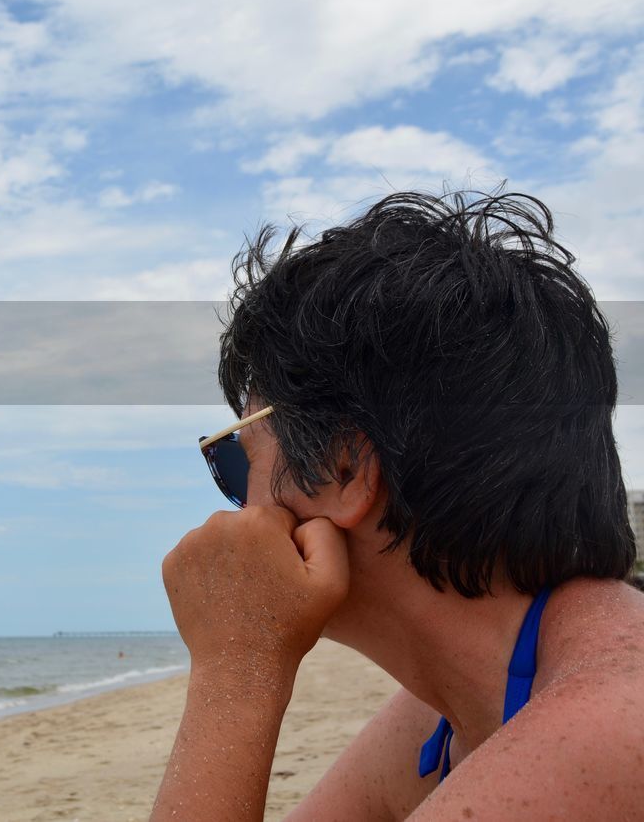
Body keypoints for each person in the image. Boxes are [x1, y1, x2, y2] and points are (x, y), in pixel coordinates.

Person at [150, 192, 644, 821]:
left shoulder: (596, 737)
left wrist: (235, 671)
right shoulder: (465, 704)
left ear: (345, 469)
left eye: (238, 459)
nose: (240, 509)